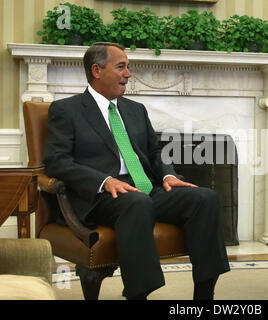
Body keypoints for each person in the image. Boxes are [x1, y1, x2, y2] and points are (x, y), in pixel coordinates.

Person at [43, 42, 230, 299]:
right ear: (96, 70)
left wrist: (168, 175)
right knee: (137, 202)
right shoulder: (67, 110)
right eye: (121, 67)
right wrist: (104, 180)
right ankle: (138, 294)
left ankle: (204, 297)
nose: (128, 74)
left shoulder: (135, 110)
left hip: (145, 188)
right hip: (100, 196)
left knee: (205, 198)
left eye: (128, 67)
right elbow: (56, 161)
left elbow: (155, 153)